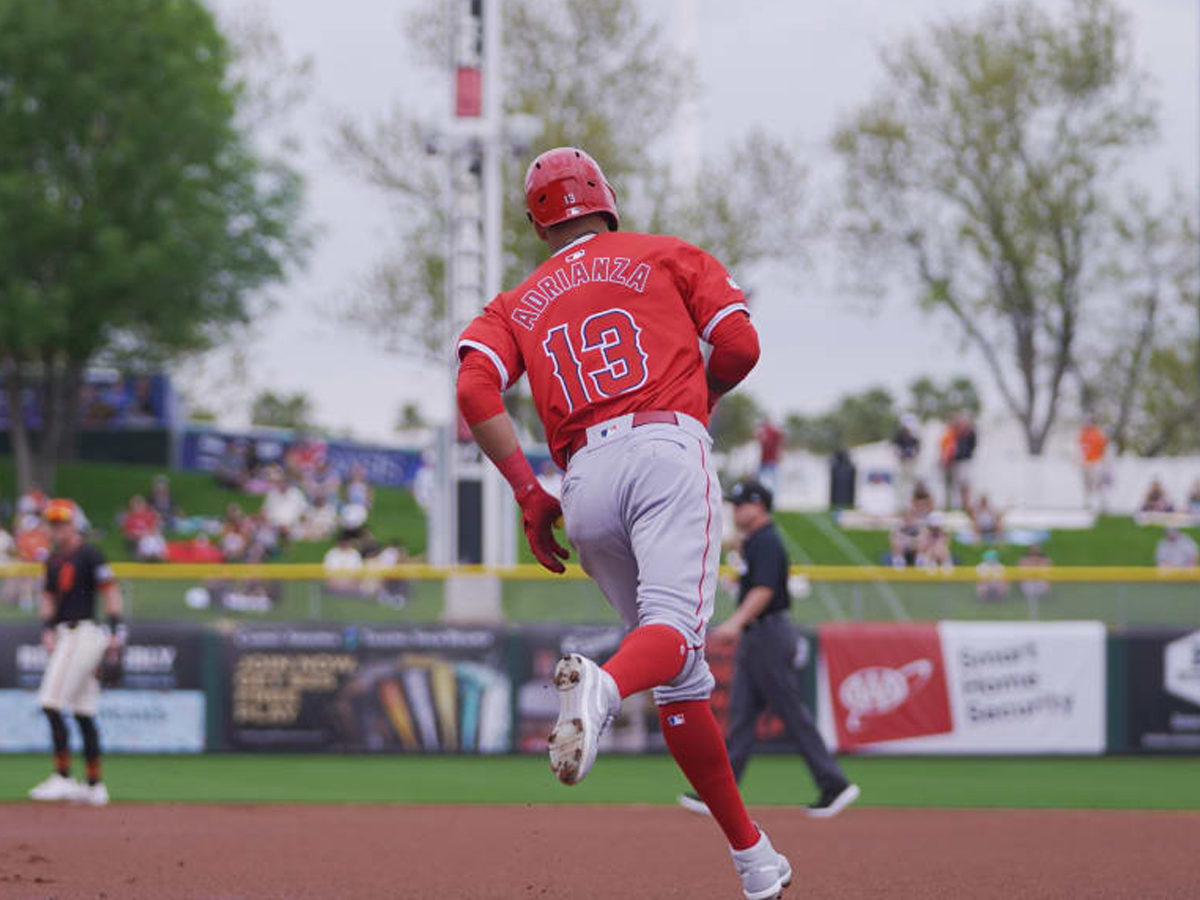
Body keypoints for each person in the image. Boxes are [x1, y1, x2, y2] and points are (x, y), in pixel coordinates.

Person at [455, 147, 790, 898]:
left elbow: (475, 389)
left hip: (583, 482)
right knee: (671, 635)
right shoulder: (666, 253)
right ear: (606, 198)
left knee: (680, 675)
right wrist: (699, 398)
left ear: (540, 225)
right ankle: (604, 689)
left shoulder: (515, 302)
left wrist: (528, 494)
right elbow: (739, 344)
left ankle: (754, 860)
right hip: (664, 446)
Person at [679, 480, 859, 820]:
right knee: (742, 715)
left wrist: (735, 622)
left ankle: (834, 783)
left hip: (769, 633)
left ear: (758, 506)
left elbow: (763, 591)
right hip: (758, 635)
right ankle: (717, 793)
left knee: (790, 711)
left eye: (740, 504)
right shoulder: (755, 541)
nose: (735, 510)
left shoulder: (767, 541)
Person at [28, 499, 125, 806]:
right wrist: (46, 628)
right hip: (63, 632)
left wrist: (115, 629)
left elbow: (111, 591)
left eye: (63, 522)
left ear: (75, 523)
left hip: (82, 633)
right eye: (53, 523)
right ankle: (95, 785)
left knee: (51, 703)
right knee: (83, 711)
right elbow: (47, 597)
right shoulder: (52, 560)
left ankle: (64, 777)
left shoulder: (90, 553)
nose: (57, 528)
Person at [1077, 418, 1109, 512]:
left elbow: (1103, 448)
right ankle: (1088, 503)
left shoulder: (1098, 433)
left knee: (1097, 483)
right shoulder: (1083, 433)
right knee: (1087, 484)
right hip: (1086, 462)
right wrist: (1081, 460)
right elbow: (1081, 448)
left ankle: (1103, 502)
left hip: (1096, 462)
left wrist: (1102, 461)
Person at [891, 414, 921, 511]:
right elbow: (895, 448)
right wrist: (901, 453)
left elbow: (917, 449)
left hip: (911, 463)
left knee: (910, 483)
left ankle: (909, 504)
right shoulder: (899, 435)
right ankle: (900, 504)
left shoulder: (914, 436)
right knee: (901, 483)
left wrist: (912, 453)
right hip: (902, 462)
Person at [755, 418, 785, 493]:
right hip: (763, 461)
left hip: (772, 461)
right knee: (759, 481)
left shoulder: (774, 432)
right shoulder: (762, 432)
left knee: (774, 482)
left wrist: (779, 455)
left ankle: (773, 498)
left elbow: (780, 444)